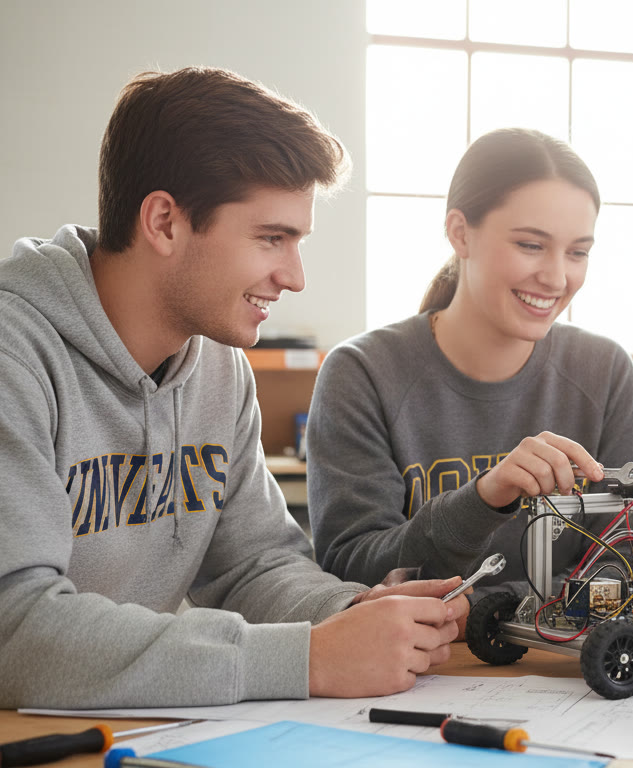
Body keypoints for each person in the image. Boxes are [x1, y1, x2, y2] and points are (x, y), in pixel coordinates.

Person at [0, 67, 470, 709]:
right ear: (164, 222)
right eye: (271, 238)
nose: (295, 276)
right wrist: (308, 659)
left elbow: (253, 567)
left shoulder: (218, 365)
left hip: (127, 731)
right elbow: (15, 631)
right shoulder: (15, 356)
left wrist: (352, 611)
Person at [306, 128, 633, 598]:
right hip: (418, 664)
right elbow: (352, 567)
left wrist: (492, 611)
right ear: (459, 233)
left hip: (565, 663)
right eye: (531, 245)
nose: (557, 277)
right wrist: (483, 499)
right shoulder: (363, 373)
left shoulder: (604, 370)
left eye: (578, 252)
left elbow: (632, 555)